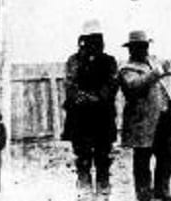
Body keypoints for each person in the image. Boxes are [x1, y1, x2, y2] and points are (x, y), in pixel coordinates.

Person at [118, 30, 171, 201]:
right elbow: (134, 86)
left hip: (161, 120)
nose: (143, 50)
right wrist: (158, 71)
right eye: (139, 47)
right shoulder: (126, 69)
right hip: (142, 123)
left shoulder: (151, 64)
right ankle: (143, 194)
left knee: (167, 155)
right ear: (131, 49)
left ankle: (162, 189)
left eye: (145, 46)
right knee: (142, 159)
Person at [61, 20, 119, 200]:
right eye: (91, 39)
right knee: (82, 155)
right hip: (80, 117)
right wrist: (83, 97)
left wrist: (98, 97)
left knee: (103, 156)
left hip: (102, 116)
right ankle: (84, 189)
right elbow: (70, 84)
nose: (95, 43)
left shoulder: (109, 61)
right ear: (83, 40)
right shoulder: (74, 61)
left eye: (98, 39)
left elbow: (112, 83)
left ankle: (103, 189)